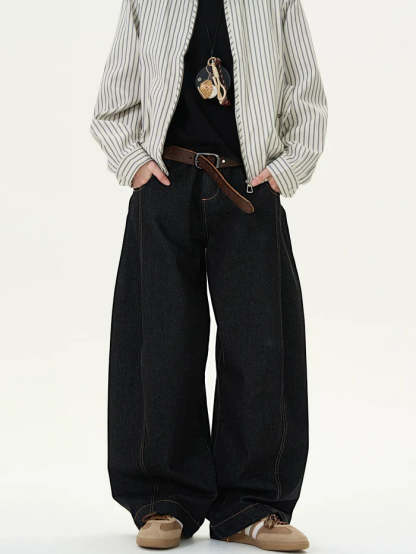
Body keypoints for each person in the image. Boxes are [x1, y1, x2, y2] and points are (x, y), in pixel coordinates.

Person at [91, 0, 327, 550]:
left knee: (262, 346)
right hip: (165, 184)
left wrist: (286, 169)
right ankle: (162, 500)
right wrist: (133, 162)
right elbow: (112, 102)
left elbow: (306, 94)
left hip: (249, 188)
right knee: (159, 343)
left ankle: (253, 505)